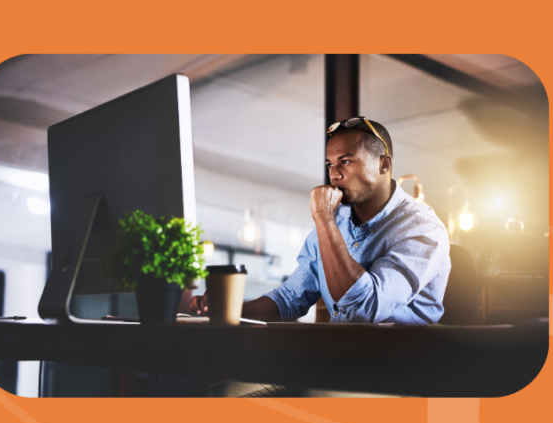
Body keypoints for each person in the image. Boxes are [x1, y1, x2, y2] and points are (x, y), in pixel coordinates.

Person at [190, 118, 451, 325]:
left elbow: (363, 309)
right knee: (224, 392)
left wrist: (324, 220)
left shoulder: (422, 229)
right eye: (329, 164)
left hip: (393, 371)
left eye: (345, 162)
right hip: (331, 360)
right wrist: (229, 311)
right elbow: (289, 300)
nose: (334, 175)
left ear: (384, 164)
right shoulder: (336, 219)